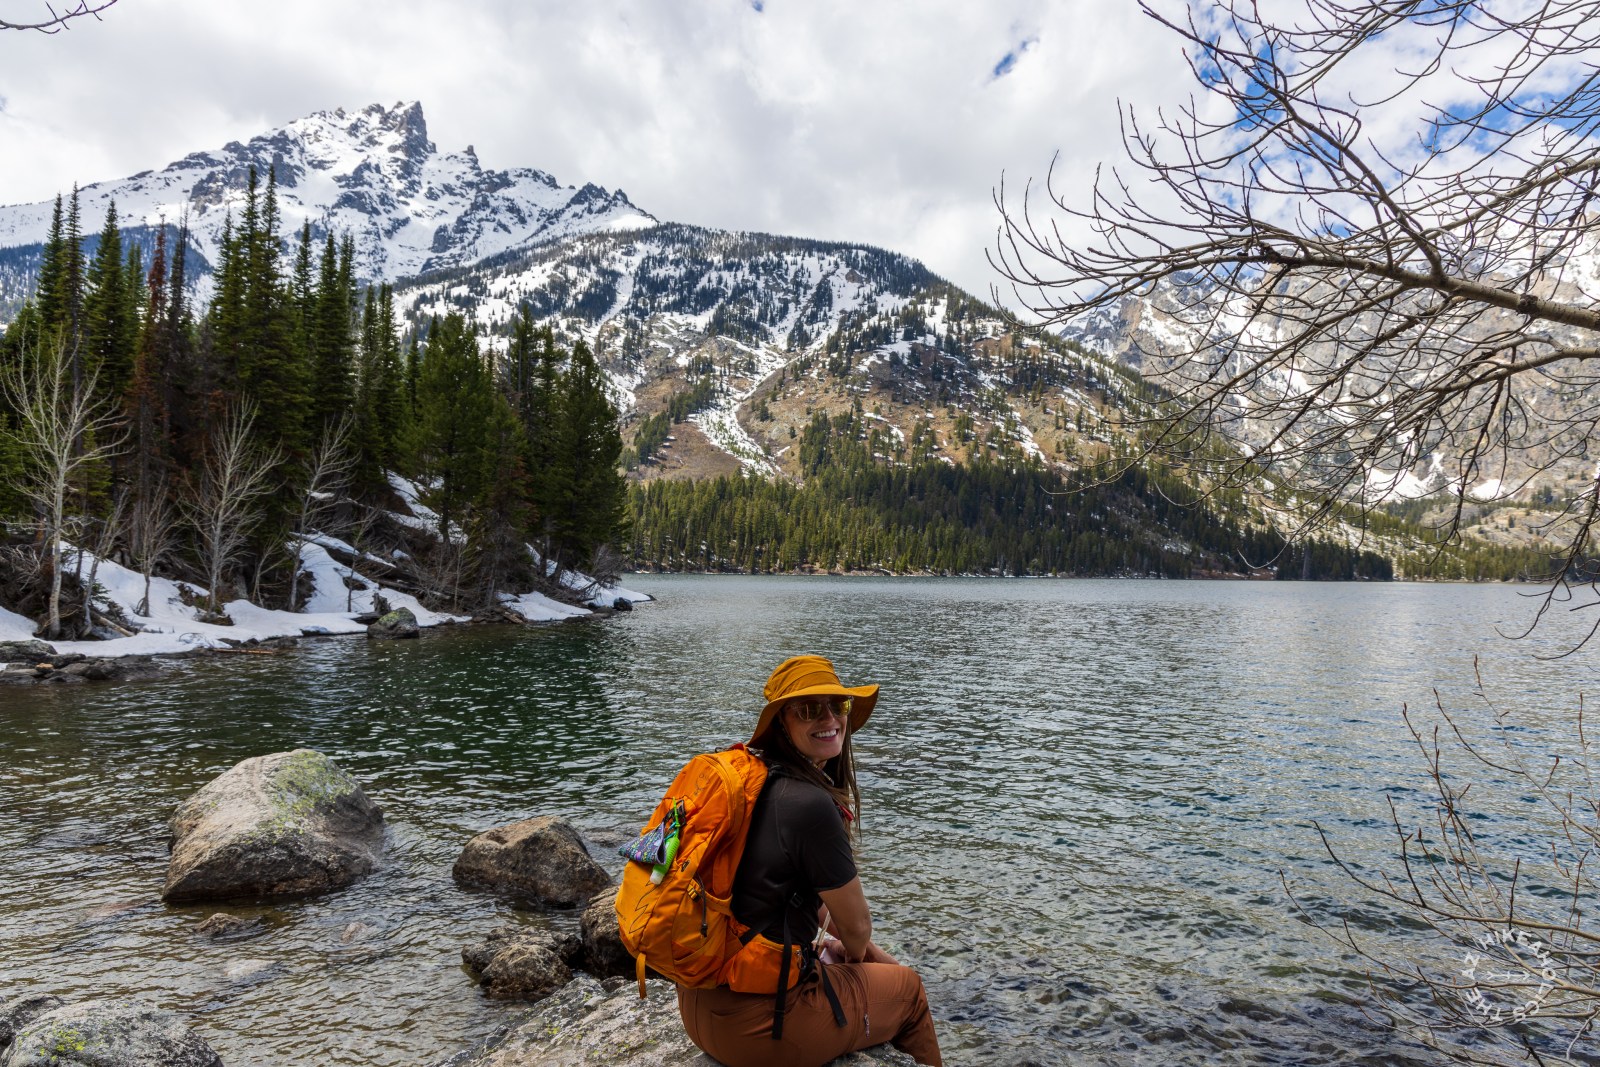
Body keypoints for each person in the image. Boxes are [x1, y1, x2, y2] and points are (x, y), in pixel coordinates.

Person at [675, 655, 944, 1067]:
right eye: (808, 709)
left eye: (838, 706)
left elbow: (802, 902)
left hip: (700, 1010)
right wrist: (858, 959)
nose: (829, 718)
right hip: (761, 1029)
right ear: (782, 721)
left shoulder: (753, 781)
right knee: (909, 993)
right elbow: (856, 927)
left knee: (891, 972)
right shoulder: (810, 805)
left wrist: (871, 958)